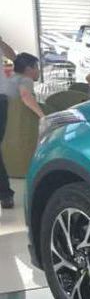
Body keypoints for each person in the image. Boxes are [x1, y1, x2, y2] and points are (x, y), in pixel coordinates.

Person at [0, 52, 43, 210]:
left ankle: (5, 193)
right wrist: (43, 116)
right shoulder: (25, 79)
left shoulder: (9, 77)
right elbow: (26, 96)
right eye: (36, 67)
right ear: (29, 69)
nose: (38, 71)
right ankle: (5, 194)